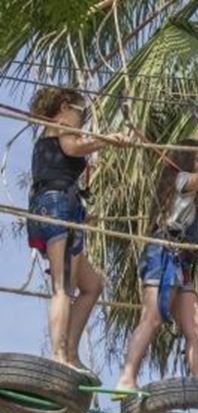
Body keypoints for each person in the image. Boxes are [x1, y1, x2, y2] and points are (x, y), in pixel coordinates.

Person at [114, 140, 198, 397]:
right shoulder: (180, 180)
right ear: (185, 161)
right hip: (162, 255)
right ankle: (126, 379)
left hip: (182, 262)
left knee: (196, 329)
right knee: (152, 318)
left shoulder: (193, 202)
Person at [27, 87, 131, 375]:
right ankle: (58, 355)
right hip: (56, 203)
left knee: (91, 285)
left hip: (61, 204)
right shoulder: (61, 126)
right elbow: (72, 148)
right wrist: (107, 141)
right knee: (63, 286)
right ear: (64, 106)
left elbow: (70, 155)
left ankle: (70, 353)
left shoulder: (56, 132)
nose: (81, 121)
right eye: (80, 114)